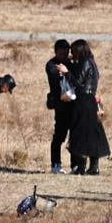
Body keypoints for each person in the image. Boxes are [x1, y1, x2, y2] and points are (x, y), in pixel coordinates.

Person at [67, 40, 111, 175]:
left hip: (82, 101)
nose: (71, 54)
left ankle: (80, 167)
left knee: (79, 133)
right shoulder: (91, 61)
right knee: (92, 133)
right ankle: (94, 167)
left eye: (73, 51)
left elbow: (78, 83)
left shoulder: (85, 62)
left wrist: (67, 71)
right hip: (91, 100)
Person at [46, 39, 75, 173]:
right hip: (61, 106)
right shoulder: (51, 65)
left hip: (74, 105)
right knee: (59, 136)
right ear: (56, 52)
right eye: (61, 53)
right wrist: (66, 70)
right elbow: (56, 78)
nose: (64, 56)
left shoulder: (70, 63)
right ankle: (56, 165)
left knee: (75, 136)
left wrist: (68, 67)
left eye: (66, 53)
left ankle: (75, 165)